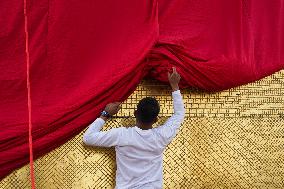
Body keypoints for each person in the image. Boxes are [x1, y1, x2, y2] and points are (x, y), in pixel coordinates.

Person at [83, 67, 185, 189]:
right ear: (155, 120)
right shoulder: (162, 136)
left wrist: (105, 114)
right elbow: (179, 114)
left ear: (135, 113)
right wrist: (174, 86)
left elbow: (88, 138)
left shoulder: (122, 135)